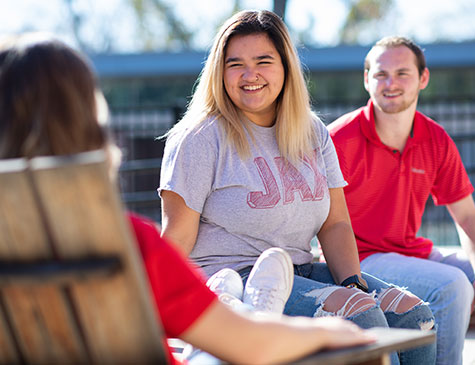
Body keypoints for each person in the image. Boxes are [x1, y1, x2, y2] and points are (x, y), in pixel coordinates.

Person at [0, 32, 381, 365]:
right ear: (87, 123)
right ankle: (255, 308)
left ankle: (252, 308)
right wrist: (328, 332)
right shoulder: (123, 244)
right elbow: (250, 347)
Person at [159, 10, 436, 364]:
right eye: (235, 64)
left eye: (263, 61)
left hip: (299, 269)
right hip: (234, 281)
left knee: (416, 319)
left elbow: (334, 223)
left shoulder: (311, 132)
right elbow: (177, 238)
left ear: (286, 67)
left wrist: (352, 283)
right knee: (361, 319)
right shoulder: (198, 138)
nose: (250, 75)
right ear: (219, 71)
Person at [328, 36, 475, 365]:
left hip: (410, 251)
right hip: (360, 257)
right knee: (452, 285)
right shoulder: (339, 139)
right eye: (381, 74)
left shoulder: (435, 138)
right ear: (367, 80)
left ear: (423, 78)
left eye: (402, 73)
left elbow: (466, 216)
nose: (391, 83)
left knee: (466, 275)